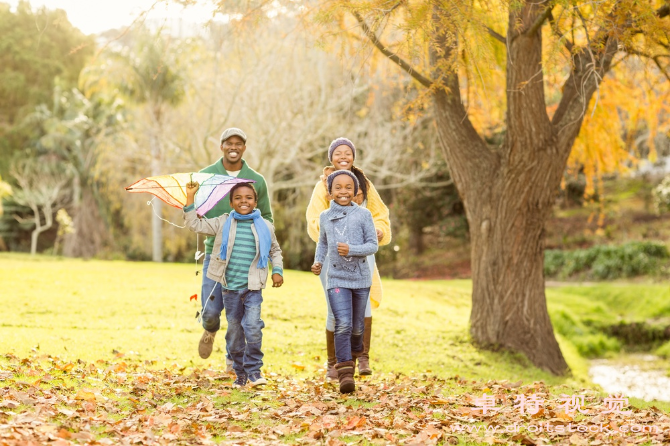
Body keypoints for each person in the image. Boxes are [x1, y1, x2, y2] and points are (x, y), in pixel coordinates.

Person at [305, 137, 391, 379]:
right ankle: (334, 363)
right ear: (331, 157)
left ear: (354, 157)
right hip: (334, 258)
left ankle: (361, 358)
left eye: (348, 153)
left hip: (361, 254)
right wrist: (332, 233)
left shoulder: (364, 183)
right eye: (338, 153)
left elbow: (380, 214)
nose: (343, 156)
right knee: (336, 310)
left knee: (363, 306)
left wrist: (379, 229)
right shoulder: (322, 186)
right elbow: (314, 219)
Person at [183, 181, 283, 387]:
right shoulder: (222, 222)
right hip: (229, 289)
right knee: (235, 332)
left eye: (248, 198)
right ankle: (240, 372)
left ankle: (254, 371)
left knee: (253, 327)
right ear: (231, 203)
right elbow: (195, 225)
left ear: (255, 202)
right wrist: (190, 198)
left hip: (253, 288)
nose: (243, 201)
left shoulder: (265, 226)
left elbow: (275, 251)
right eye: (238, 198)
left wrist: (278, 271)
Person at [197, 128, 273, 371]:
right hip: (216, 254)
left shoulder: (256, 180)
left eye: (238, 143)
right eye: (229, 143)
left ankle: (232, 358)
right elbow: (196, 210)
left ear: (244, 147)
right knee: (210, 310)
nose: (233, 146)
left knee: (237, 315)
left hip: (244, 258)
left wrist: (265, 250)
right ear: (221, 146)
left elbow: (268, 217)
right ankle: (209, 329)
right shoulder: (205, 176)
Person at [311, 170, 378, 393]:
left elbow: (372, 246)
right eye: (337, 187)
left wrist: (352, 250)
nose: (343, 191)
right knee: (343, 324)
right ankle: (345, 374)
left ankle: (356, 349)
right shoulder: (325, 217)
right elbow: (322, 243)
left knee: (357, 328)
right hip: (336, 278)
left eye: (348, 187)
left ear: (356, 191)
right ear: (329, 193)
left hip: (360, 278)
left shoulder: (364, 215)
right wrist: (318, 261)